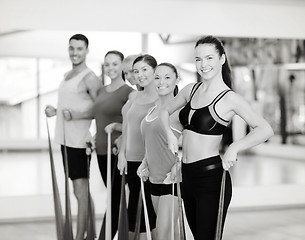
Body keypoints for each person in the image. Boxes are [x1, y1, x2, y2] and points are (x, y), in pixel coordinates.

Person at [160, 35, 274, 240]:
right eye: (198, 59)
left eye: (209, 58)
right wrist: (170, 135)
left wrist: (234, 147)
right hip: (187, 176)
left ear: (222, 58)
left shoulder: (230, 98)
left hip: (211, 178)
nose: (203, 64)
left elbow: (265, 129)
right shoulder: (190, 90)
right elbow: (163, 112)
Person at [66, 50, 133, 239]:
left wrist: (119, 127)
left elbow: (137, 121)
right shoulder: (102, 90)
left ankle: (105, 236)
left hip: (118, 151)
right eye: (107, 64)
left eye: (115, 64)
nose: (110, 68)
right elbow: (100, 117)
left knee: (114, 199)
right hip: (101, 151)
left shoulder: (128, 92)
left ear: (122, 66)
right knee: (113, 197)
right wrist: (94, 136)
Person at [45, 33, 100, 240]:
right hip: (65, 140)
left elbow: (100, 109)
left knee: (80, 191)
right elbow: (72, 105)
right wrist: (56, 110)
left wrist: (77, 115)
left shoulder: (90, 77)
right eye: (71, 48)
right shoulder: (67, 75)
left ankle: (79, 237)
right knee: (81, 191)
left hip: (79, 142)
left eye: (79, 49)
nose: (74, 53)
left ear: (87, 51)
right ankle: (90, 234)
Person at [137, 62, 183, 240]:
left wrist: (178, 167)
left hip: (172, 181)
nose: (161, 82)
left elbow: (190, 144)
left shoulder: (180, 110)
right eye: (157, 77)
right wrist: (144, 163)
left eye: (167, 77)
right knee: (172, 234)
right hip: (154, 180)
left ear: (176, 80)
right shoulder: (152, 110)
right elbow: (151, 144)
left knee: (162, 235)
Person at [118, 54, 159, 240]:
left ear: (154, 70)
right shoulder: (134, 95)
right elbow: (127, 126)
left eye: (144, 70)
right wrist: (121, 155)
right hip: (131, 160)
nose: (140, 75)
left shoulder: (163, 95)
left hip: (150, 162)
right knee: (134, 207)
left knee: (150, 211)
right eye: (136, 71)